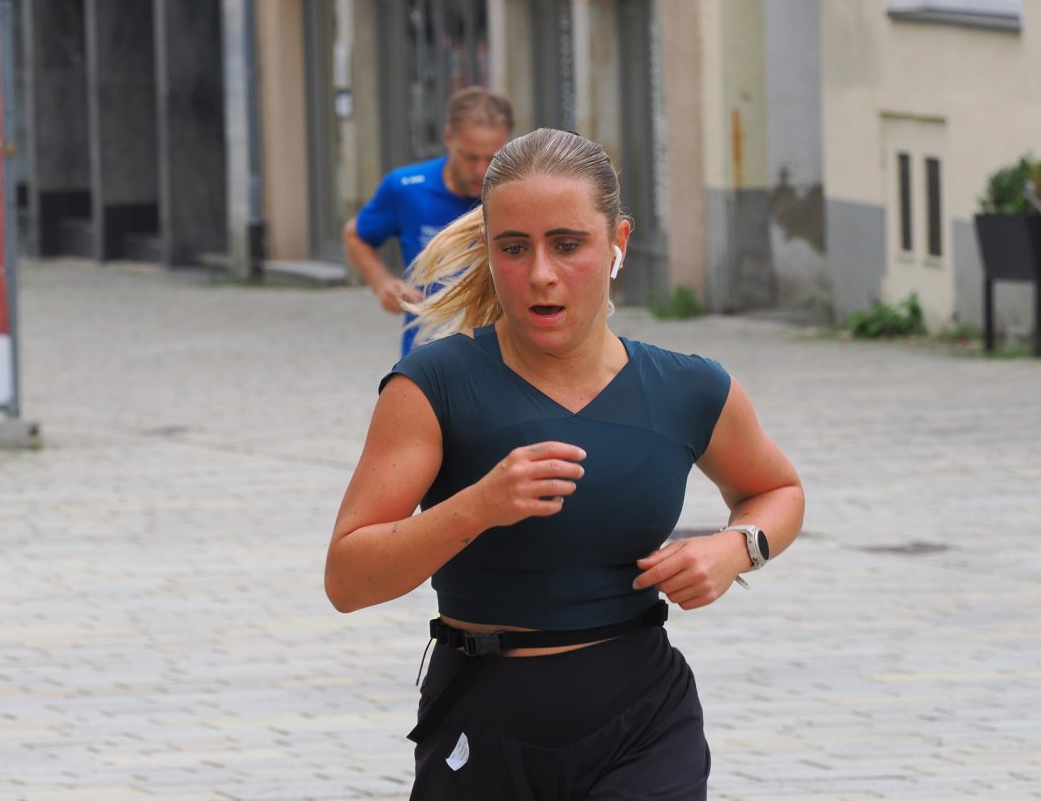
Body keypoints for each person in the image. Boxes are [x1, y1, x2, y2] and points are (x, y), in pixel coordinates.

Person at [325, 128, 805, 799]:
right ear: (489, 248)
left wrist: (737, 547)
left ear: (618, 242)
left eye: (568, 244)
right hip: (482, 719)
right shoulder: (433, 386)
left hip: (643, 721)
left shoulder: (690, 388)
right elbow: (347, 579)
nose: (541, 274)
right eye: (513, 247)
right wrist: (477, 506)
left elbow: (778, 489)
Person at [343, 87, 514, 355]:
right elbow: (356, 234)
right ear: (448, 137)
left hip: (502, 350)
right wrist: (382, 283)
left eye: (493, 158)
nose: (481, 170)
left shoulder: (517, 193)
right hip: (427, 348)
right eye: (470, 157)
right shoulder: (406, 187)